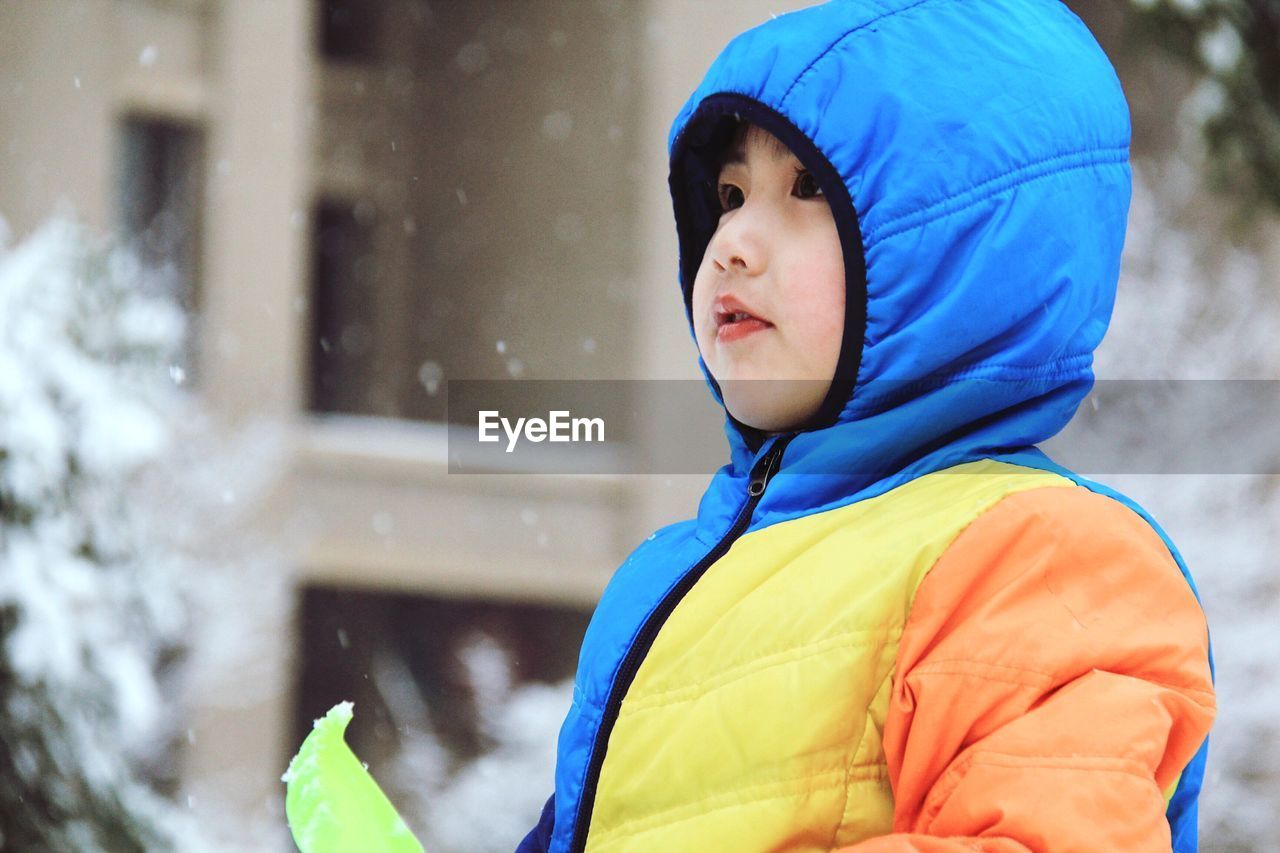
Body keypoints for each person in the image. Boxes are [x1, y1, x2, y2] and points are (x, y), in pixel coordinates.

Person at [518, 0, 1216, 850]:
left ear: (964, 252)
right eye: (730, 193)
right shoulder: (666, 578)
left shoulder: (1039, 556)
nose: (733, 239)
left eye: (806, 187)